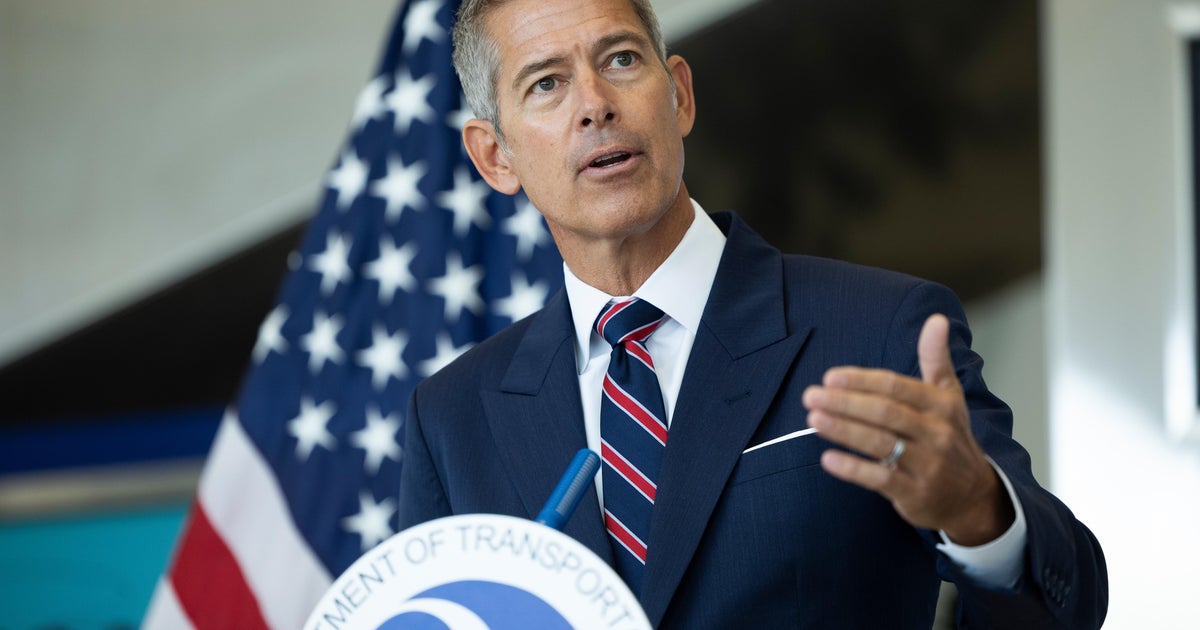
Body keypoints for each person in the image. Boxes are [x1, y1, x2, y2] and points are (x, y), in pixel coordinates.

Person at [397, 0, 1108, 626]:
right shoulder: (452, 419)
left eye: (620, 59)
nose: (595, 104)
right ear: (494, 156)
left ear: (679, 95)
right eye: (546, 83)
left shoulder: (883, 327)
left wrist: (979, 511)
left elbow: (1067, 606)